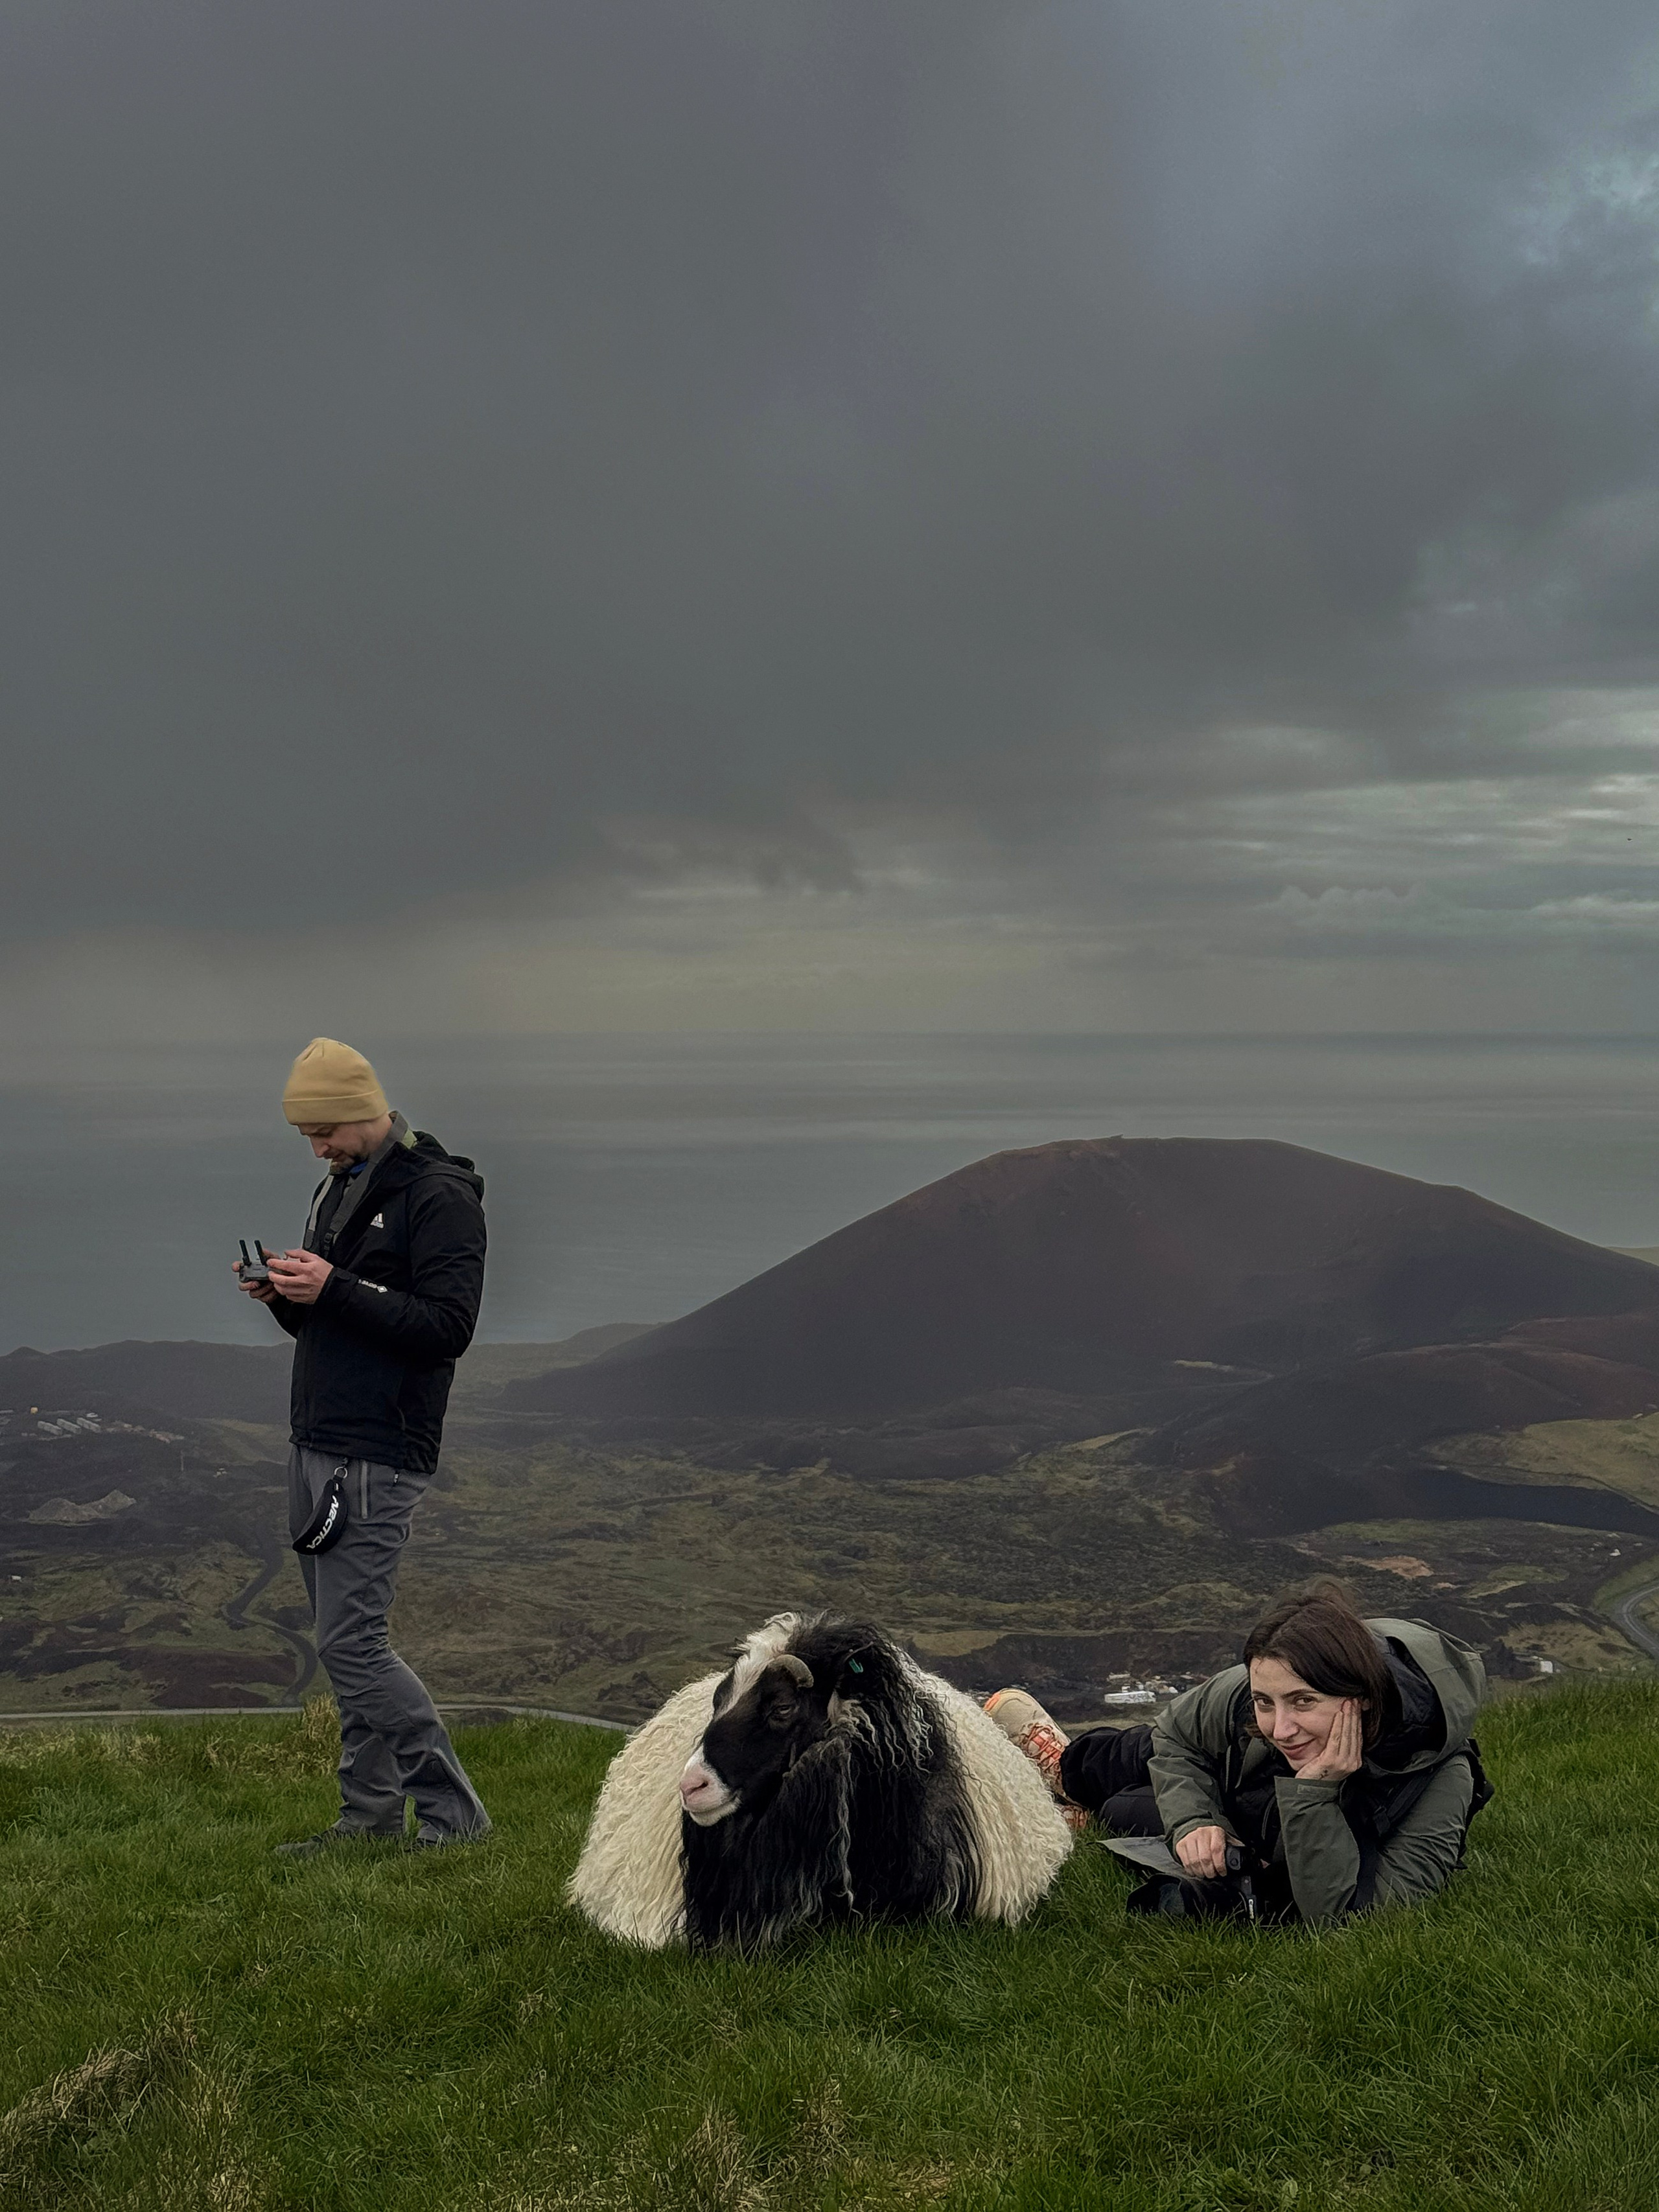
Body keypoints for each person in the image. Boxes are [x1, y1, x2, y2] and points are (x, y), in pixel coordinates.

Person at [237, 1036, 492, 1854]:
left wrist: (337, 1286)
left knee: (352, 1642)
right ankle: (368, 1818)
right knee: (344, 1647)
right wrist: (288, 1296)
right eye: (307, 1137)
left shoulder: (439, 1196)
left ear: (361, 1110)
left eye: (324, 1132)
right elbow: (337, 1320)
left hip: (378, 1449)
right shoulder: (338, 1187)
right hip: (318, 1436)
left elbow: (448, 1328)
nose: (316, 1149)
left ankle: (455, 1819)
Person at [987, 1583, 1490, 1924]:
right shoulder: (1271, 1677)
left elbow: (1361, 1918)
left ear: (1360, 1699)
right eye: (1265, 1701)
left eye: (1305, 1702)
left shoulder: (1440, 1774)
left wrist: (1314, 1793)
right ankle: (1064, 1769)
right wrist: (1194, 1821)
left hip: (1264, 1817)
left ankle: (1074, 1811)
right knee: (1128, 1753)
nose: (1282, 1727)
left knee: (1122, 1812)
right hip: (1230, 1775)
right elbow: (1176, 1737)